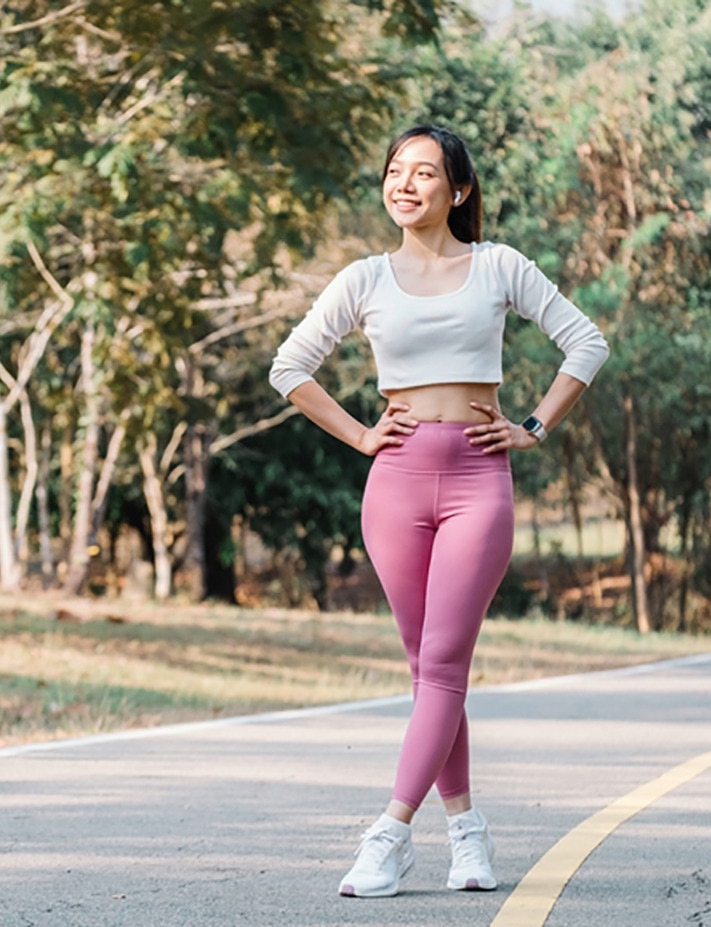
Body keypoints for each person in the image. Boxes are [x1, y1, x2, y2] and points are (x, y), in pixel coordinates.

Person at [268, 124, 609, 898]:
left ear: (458, 191)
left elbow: (584, 343)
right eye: (396, 171)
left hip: (477, 479)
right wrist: (359, 433)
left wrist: (533, 427)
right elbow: (288, 366)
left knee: (444, 662)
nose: (406, 184)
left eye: (425, 173)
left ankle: (388, 833)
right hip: (394, 482)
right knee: (428, 671)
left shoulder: (498, 266)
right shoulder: (363, 278)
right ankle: (466, 832)